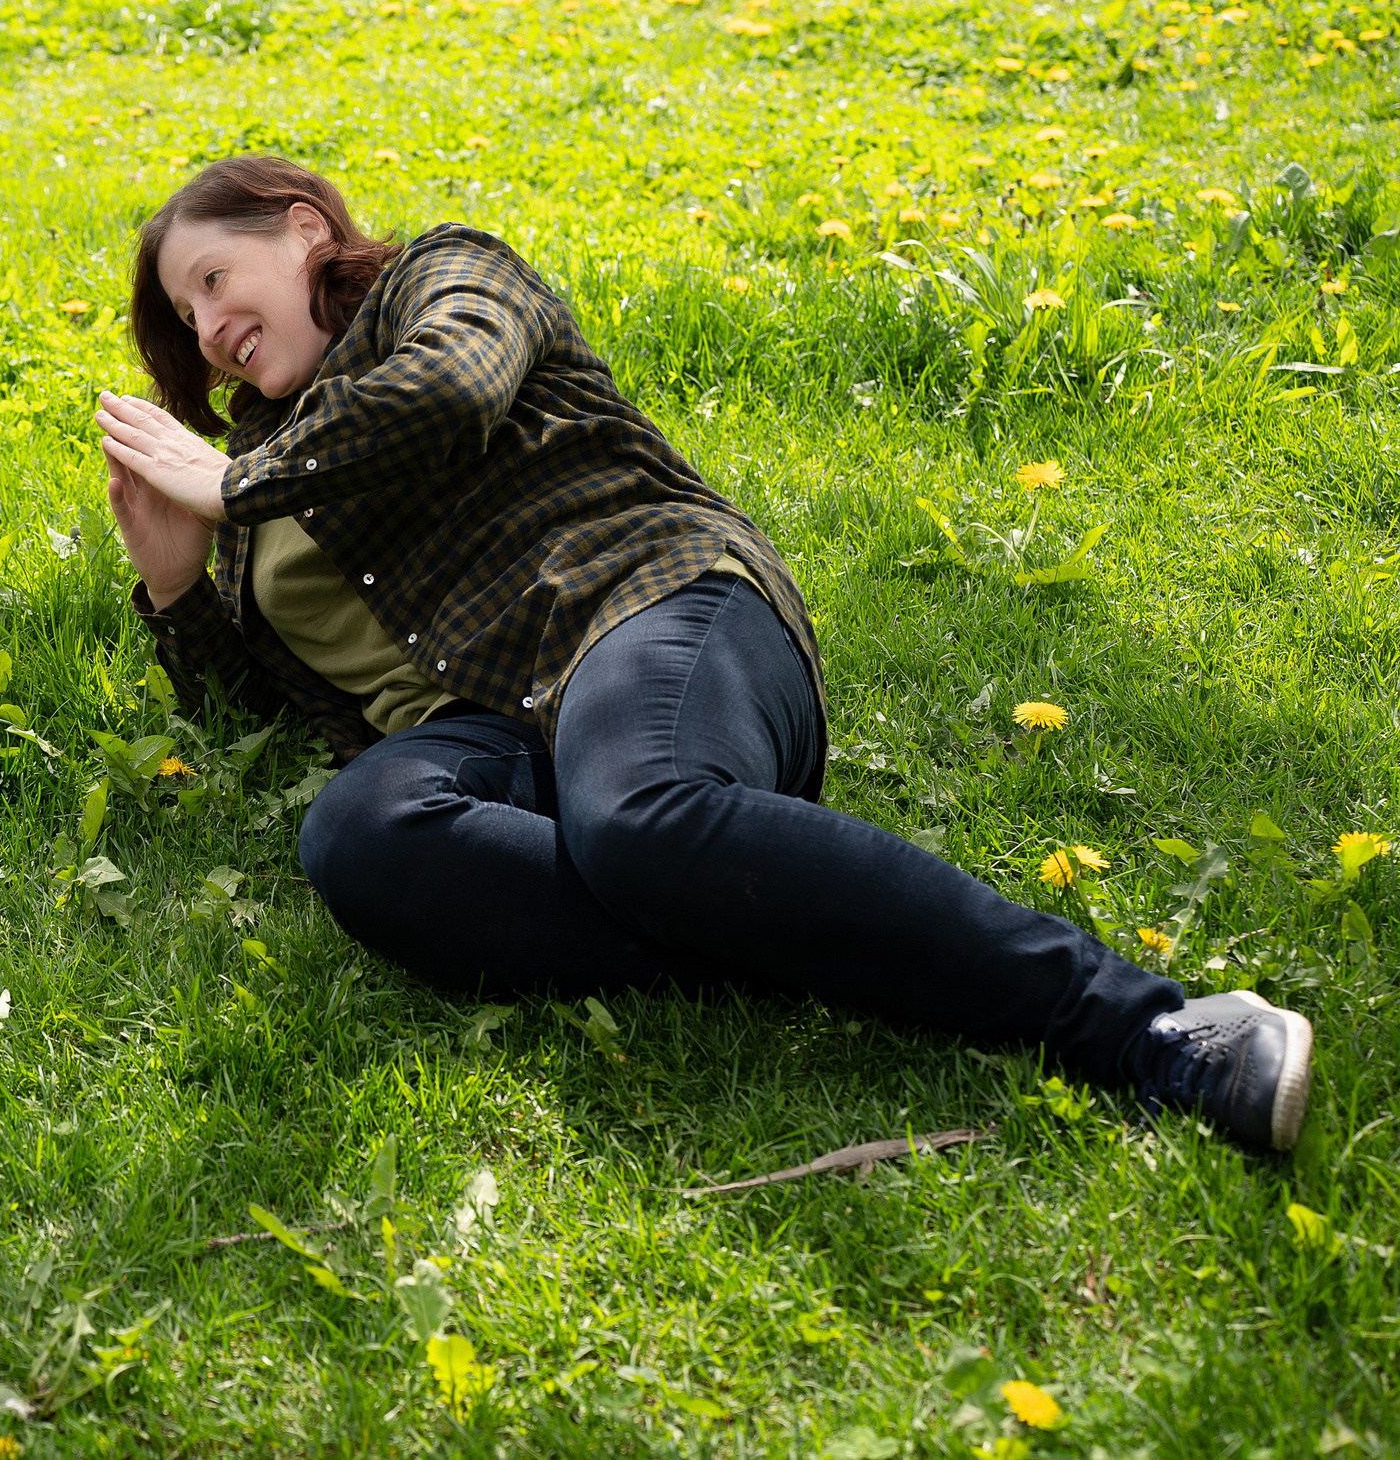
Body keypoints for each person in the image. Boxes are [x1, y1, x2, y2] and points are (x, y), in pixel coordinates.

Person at [95, 155, 1311, 1153]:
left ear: (302, 227)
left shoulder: (441, 278)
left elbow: (454, 391)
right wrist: (176, 581)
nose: (208, 330)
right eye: (187, 319)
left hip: (645, 605)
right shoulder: (249, 487)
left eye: (214, 279)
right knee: (356, 835)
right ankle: (777, 907)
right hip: (479, 738)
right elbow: (266, 714)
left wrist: (237, 482)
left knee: (640, 813)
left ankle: (1154, 1031)